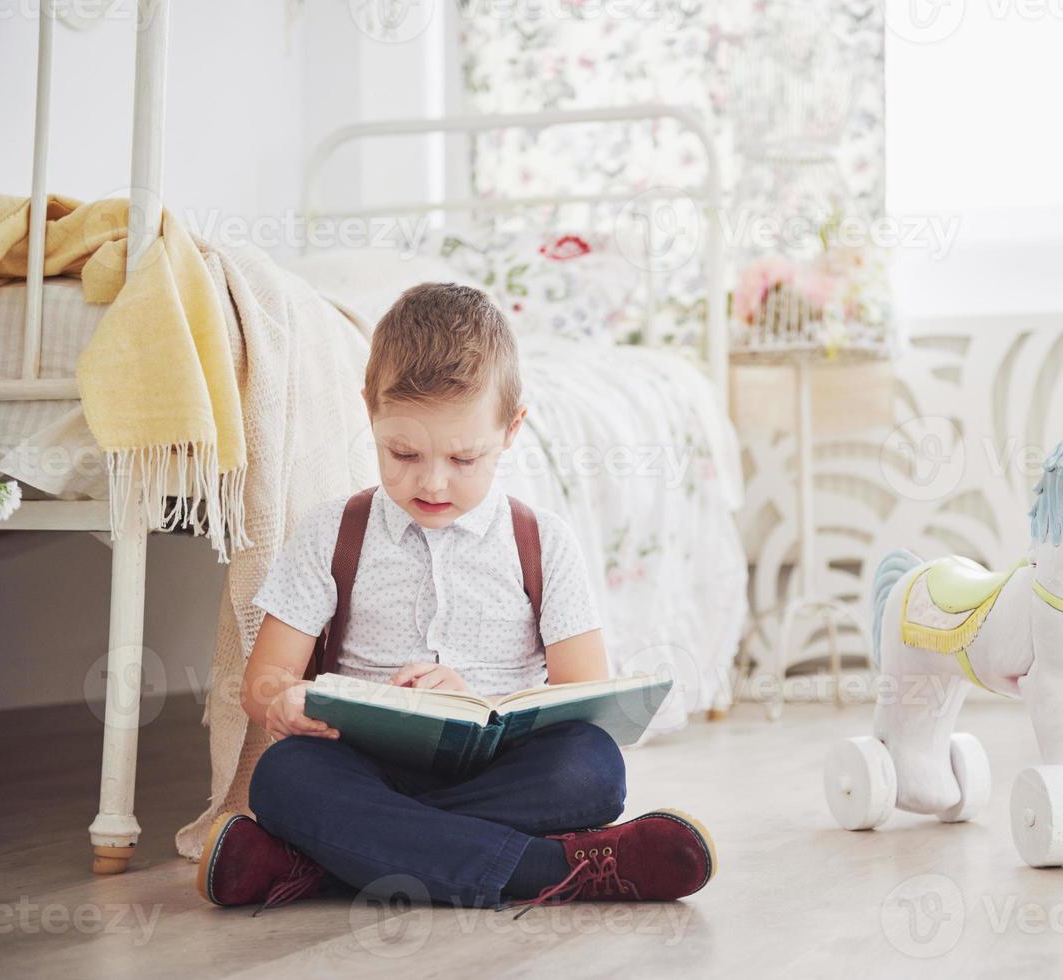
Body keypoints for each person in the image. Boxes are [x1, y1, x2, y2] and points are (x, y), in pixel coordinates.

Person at [195, 283, 715, 913]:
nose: (432, 481)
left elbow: (583, 696)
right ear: (370, 413)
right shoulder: (333, 532)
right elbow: (263, 682)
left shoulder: (544, 542)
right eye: (403, 453)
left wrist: (476, 701)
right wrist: (284, 702)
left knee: (593, 768)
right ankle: (561, 869)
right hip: (368, 766)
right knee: (282, 779)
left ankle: (325, 858)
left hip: (503, 768)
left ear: (511, 429)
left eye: (464, 457)